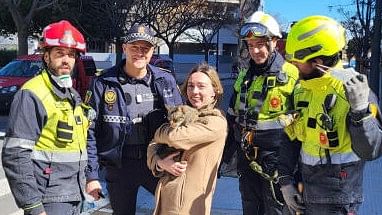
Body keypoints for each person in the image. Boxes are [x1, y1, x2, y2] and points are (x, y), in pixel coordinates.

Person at [278, 15, 382, 215]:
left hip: (338, 201)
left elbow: (371, 150)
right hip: (302, 193)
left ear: (317, 61)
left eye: (297, 61)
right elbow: (290, 139)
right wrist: (285, 182)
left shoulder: (356, 91)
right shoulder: (302, 90)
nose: (292, 66)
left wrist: (360, 111)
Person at [85, 23, 183, 215]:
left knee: (172, 211)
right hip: (120, 167)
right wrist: (91, 176)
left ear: (152, 51)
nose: (140, 53)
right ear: (124, 48)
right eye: (134, 47)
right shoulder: (102, 83)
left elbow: (181, 125)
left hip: (157, 163)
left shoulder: (165, 80)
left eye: (145, 48)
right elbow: (89, 132)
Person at [1, 20, 91, 215]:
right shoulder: (33, 94)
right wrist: (33, 206)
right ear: (46, 56)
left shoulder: (72, 96)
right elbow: (15, 155)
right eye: (59, 53)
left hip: (74, 195)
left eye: (71, 54)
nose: (66, 59)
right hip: (48, 201)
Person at [222, 11, 299, 215]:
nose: (255, 50)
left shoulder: (292, 76)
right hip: (247, 158)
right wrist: (223, 157)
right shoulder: (244, 76)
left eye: (260, 44)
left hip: (277, 161)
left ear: (274, 42)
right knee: (250, 207)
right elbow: (232, 117)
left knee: (275, 209)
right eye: (251, 45)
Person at [147, 63, 227, 214]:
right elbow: (153, 144)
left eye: (201, 86)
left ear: (215, 91)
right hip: (166, 197)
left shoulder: (216, 121)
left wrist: (159, 132)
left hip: (187, 205)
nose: (194, 91)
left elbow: (174, 137)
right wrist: (160, 162)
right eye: (190, 86)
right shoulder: (183, 113)